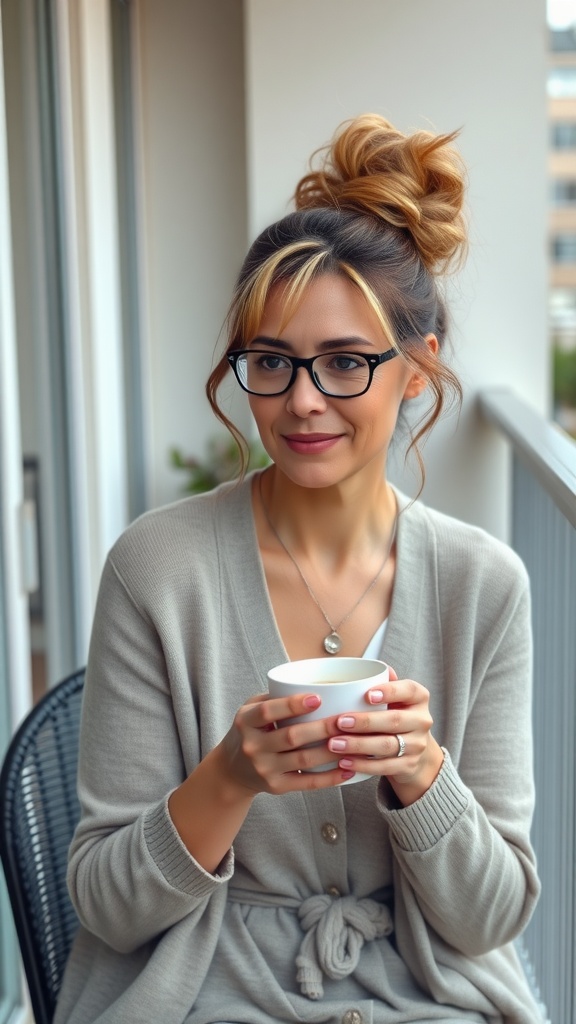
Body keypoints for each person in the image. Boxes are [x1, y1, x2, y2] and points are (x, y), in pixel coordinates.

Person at [54, 114, 544, 1024]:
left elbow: (491, 919)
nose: (302, 400)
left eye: (346, 362)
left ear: (417, 370)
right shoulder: (156, 570)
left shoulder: (486, 586)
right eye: (271, 362)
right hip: (206, 996)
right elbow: (106, 908)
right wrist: (230, 777)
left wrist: (427, 777)